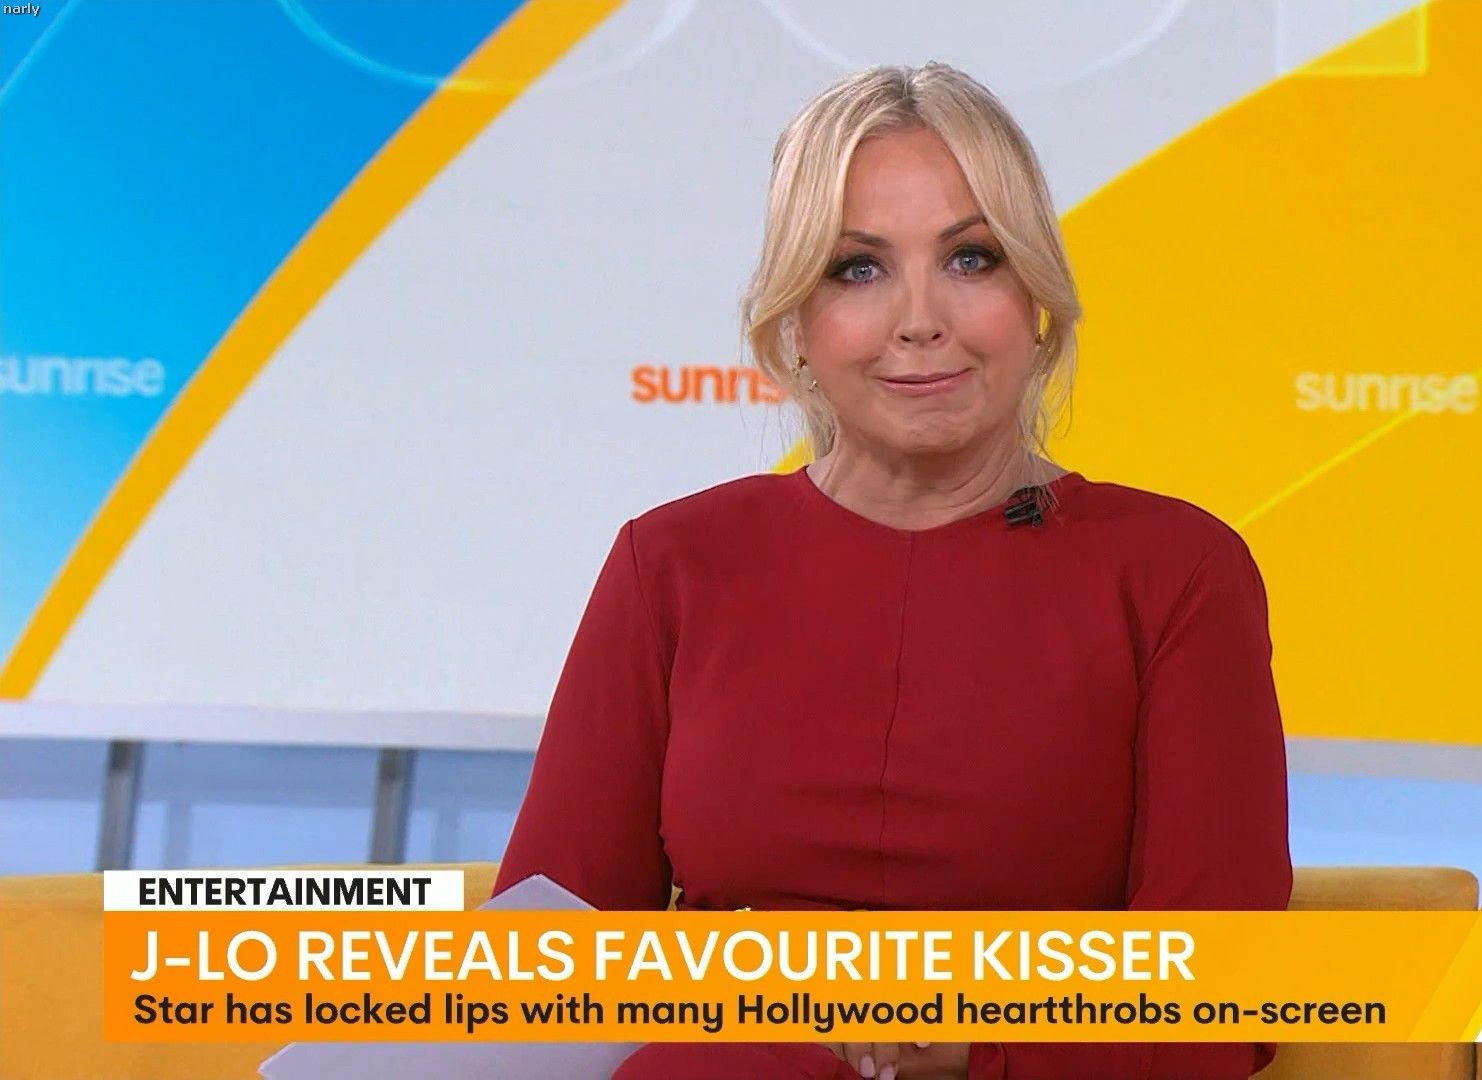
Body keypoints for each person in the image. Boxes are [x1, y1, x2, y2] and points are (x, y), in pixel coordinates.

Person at [495, 61, 1291, 1080]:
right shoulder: (674, 564)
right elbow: (544, 968)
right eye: (858, 269)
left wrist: (958, 1041)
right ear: (796, 323)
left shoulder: (1178, 571)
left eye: (971, 258)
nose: (921, 319)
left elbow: (1219, 1000)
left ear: (1036, 301)